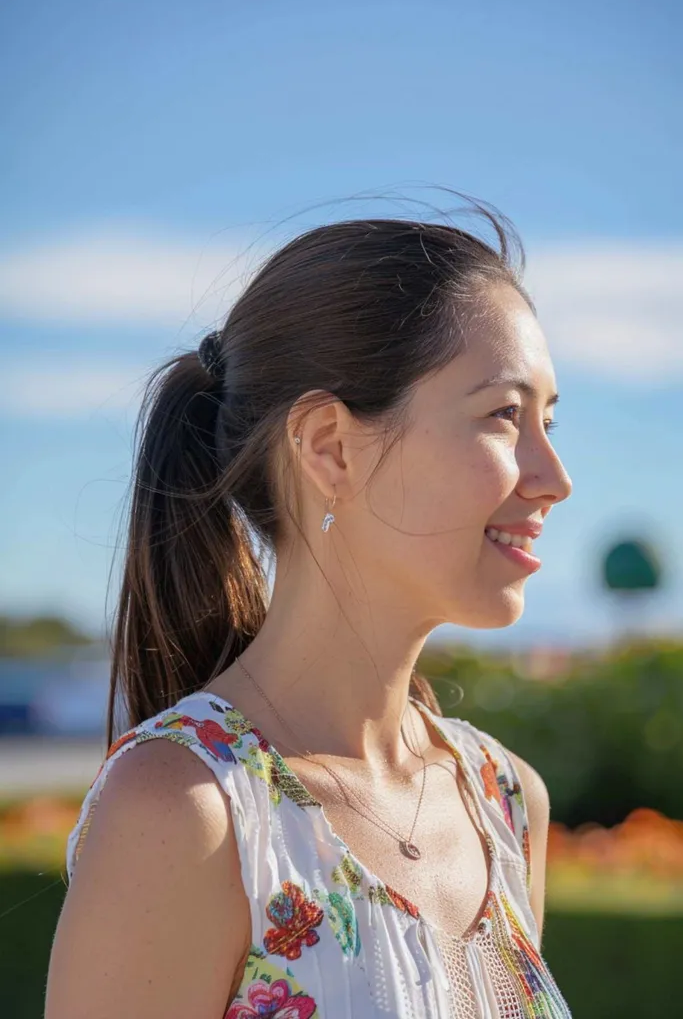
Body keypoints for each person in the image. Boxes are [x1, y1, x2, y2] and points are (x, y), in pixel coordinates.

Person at [46, 196, 573, 1018]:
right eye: (504, 416)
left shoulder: (503, 799)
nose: (554, 477)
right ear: (328, 447)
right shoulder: (186, 809)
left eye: (546, 419)